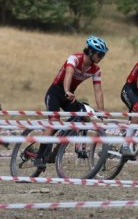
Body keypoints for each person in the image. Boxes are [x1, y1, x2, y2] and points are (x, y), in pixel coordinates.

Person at [34, 35, 109, 168]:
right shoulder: (74, 58)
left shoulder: (96, 70)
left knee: (85, 117)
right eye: (99, 54)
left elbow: (98, 91)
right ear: (90, 51)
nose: (101, 58)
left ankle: (56, 152)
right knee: (54, 124)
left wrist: (101, 111)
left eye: (103, 56)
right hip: (56, 93)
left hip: (69, 97)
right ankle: (39, 157)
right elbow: (69, 74)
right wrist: (67, 91)